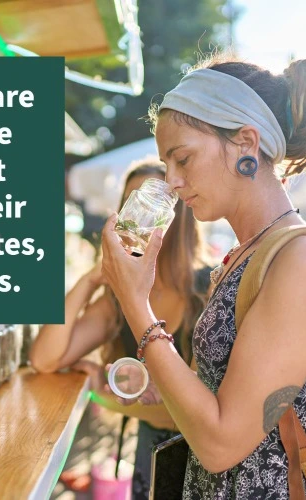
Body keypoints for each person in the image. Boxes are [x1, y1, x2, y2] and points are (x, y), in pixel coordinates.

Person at [100, 55, 306, 498]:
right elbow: (231, 396)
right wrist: (165, 385)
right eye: (167, 166)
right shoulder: (244, 256)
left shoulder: (305, 260)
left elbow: (221, 445)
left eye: (183, 159)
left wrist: (135, 305)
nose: (173, 182)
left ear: (245, 143)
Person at [30, 157, 211, 498]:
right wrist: (92, 277)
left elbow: (193, 410)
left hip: (202, 461)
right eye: (134, 205)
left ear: (177, 218)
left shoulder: (208, 288)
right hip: (150, 452)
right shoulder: (117, 300)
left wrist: (107, 396)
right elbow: (45, 359)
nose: (139, 222)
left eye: (154, 209)